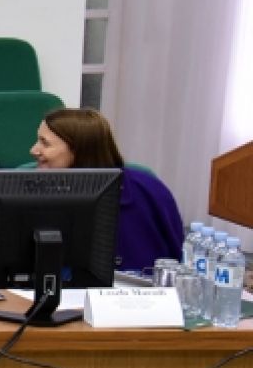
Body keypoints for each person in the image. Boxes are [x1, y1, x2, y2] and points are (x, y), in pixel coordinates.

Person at [30, 108, 184, 272]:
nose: (33, 150)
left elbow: (178, 258)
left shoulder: (149, 191)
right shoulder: (31, 193)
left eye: (45, 143)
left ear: (79, 149)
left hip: (142, 287)